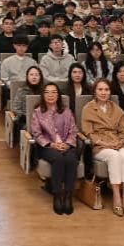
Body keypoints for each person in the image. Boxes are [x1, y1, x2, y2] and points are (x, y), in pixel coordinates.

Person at [81, 79, 124, 217]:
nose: (103, 92)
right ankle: (117, 198)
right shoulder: (88, 108)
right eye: (100, 89)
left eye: (106, 89)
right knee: (114, 156)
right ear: (95, 91)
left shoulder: (116, 108)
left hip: (117, 142)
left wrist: (121, 141)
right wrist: (105, 143)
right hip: (100, 146)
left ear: (110, 92)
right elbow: (88, 132)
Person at [30, 82, 78, 215]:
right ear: (43, 95)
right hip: (47, 146)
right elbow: (37, 134)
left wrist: (67, 144)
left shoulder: (66, 111)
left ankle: (68, 195)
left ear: (58, 95)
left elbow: (73, 131)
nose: (50, 95)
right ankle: (57, 195)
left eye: (53, 92)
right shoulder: (38, 112)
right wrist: (52, 144)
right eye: (47, 92)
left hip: (66, 144)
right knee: (59, 158)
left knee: (71, 159)